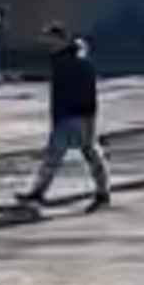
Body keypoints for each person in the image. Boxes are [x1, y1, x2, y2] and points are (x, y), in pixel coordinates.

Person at [21, 26, 110, 211]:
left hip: (75, 115)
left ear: (62, 41)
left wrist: (89, 118)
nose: (48, 45)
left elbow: (88, 94)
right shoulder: (63, 62)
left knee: (84, 153)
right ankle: (102, 192)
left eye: (51, 40)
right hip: (70, 115)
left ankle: (102, 192)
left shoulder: (74, 64)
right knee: (84, 154)